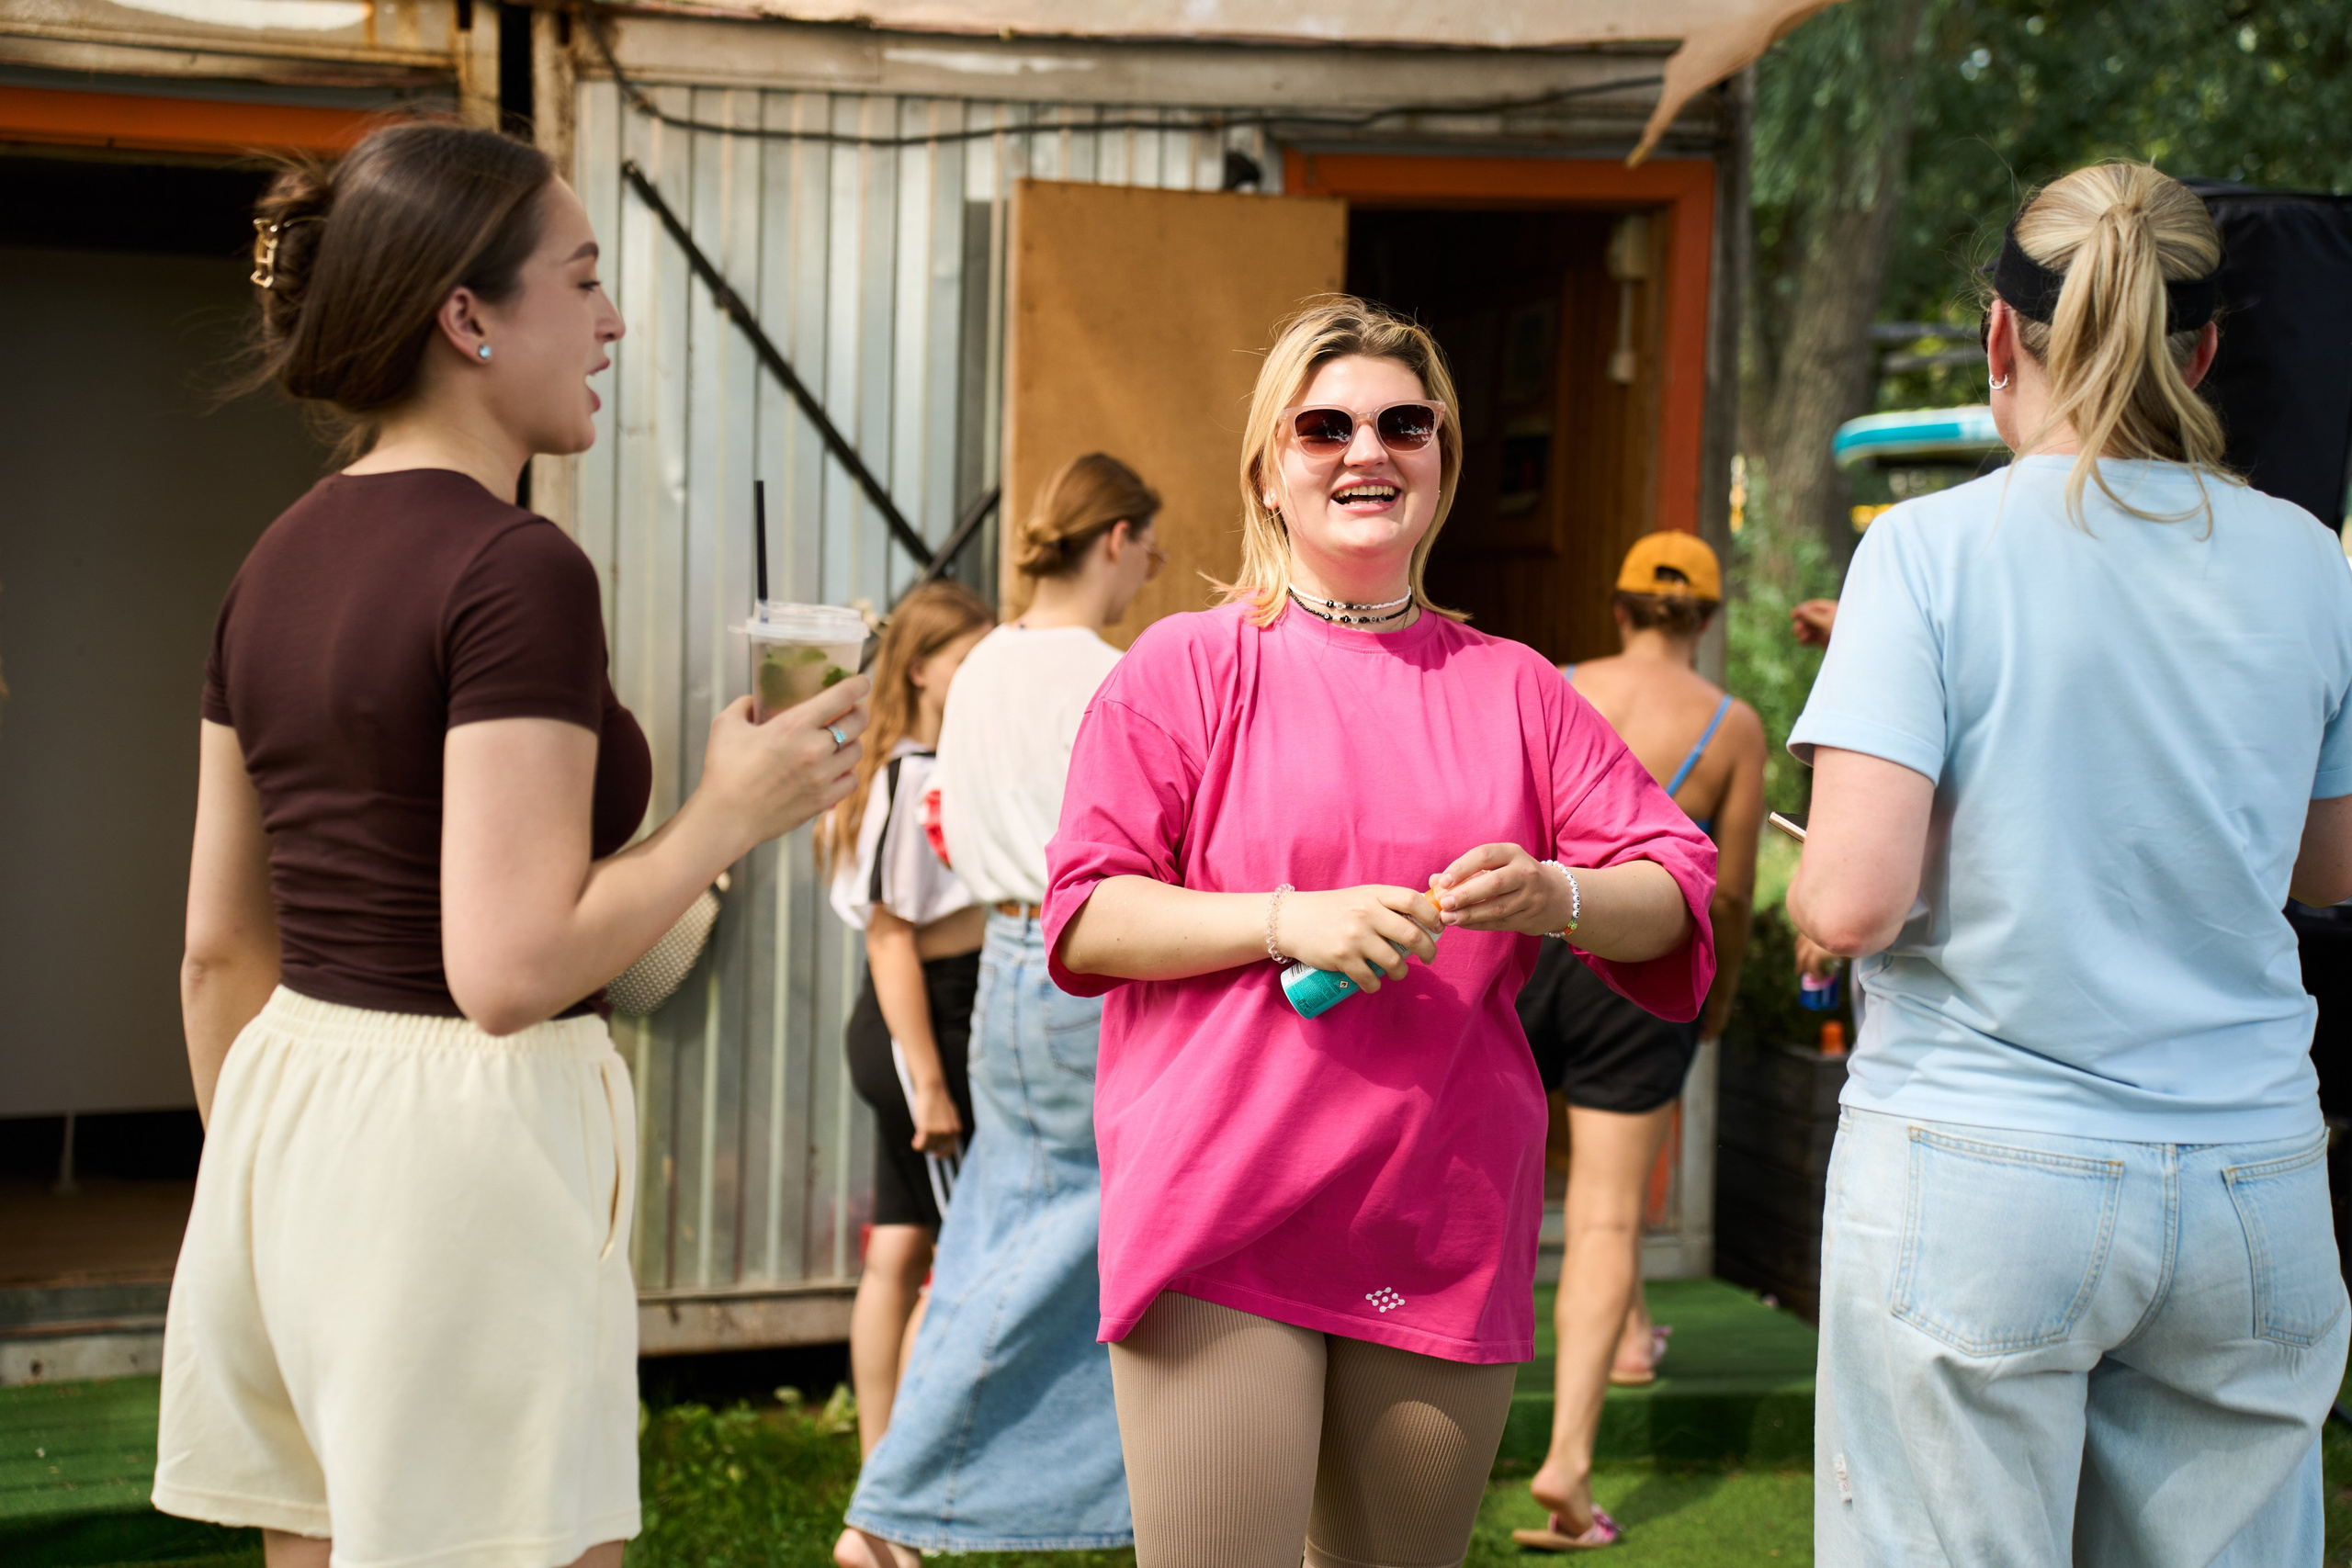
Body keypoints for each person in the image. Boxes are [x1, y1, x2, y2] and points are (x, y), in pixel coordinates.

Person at [158, 122, 870, 1568]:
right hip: (457, 1156)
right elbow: (508, 966)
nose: (612, 320)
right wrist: (729, 809)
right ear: (467, 316)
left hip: (279, 1122)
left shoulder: (270, 559)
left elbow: (215, 951)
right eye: (585, 278)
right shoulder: (514, 566)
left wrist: (267, 1186)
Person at [1046, 297, 1717, 1568]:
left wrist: (1556, 893)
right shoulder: (1184, 666)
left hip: (1439, 1216)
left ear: (1444, 460)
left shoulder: (1518, 685)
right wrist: (1286, 917)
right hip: (1224, 1203)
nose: (1369, 450)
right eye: (1327, 426)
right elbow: (1090, 909)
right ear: (1270, 466)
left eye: (1406, 423)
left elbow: (1675, 882)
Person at [1789, 163, 2352, 1565]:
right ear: (2206, 348)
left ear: (2000, 337)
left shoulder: (1920, 550)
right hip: (2250, 1179)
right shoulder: (2309, 559)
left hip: (1981, 1165)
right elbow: (2326, 863)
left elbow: (1851, 898)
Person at [839, 454, 1162, 1564]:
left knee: (992, 1232)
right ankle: (901, 1509)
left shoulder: (981, 669)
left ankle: (900, 1506)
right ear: (1114, 538)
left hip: (1007, 962)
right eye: (1149, 547)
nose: (1152, 570)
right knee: (1067, 1233)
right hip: (1078, 962)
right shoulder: (1105, 673)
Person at [1515, 530, 1764, 1550]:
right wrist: (1720, 990)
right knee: (1610, 1218)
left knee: (1503, 1169)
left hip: (1532, 945)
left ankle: (1620, 1337)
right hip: (1639, 966)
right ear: (1704, 623)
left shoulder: (1552, 683)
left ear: (1618, 609)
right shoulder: (1729, 723)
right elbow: (1736, 893)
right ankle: (1568, 1466)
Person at [821, 581, 994, 1566]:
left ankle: (878, 1490)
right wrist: (930, 1082)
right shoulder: (906, 774)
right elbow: (890, 937)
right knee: (956, 1256)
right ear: (922, 667)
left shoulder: (926, 765)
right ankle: (887, 1509)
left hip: (929, 1017)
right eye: (966, 660)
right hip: (925, 1021)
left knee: (899, 1246)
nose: (980, 680)